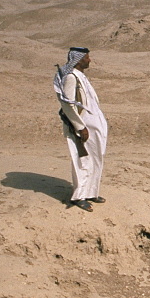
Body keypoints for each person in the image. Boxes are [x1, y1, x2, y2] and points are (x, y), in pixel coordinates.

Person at [54, 47, 108, 211]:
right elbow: (67, 104)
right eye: (87, 57)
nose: (89, 60)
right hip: (83, 126)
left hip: (93, 125)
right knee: (82, 160)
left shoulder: (81, 77)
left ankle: (91, 192)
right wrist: (80, 126)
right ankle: (79, 196)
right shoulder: (71, 78)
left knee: (96, 158)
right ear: (78, 60)